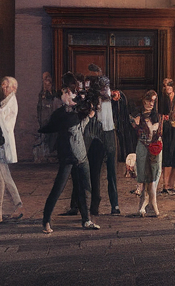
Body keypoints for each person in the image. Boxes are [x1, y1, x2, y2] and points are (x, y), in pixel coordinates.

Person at [39, 82, 100, 234]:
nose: (73, 97)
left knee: (84, 188)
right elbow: (59, 125)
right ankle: (46, 220)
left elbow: (81, 126)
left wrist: (89, 115)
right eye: (70, 94)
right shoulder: (61, 113)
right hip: (68, 156)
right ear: (64, 95)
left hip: (81, 155)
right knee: (58, 188)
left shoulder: (78, 111)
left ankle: (86, 220)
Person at [85, 69, 121, 217]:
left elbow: (121, 105)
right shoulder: (93, 99)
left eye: (107, 87)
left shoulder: (113, 98)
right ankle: (95, 206)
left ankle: (115, 204)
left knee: (112, 171)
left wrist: (117, 97)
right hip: (97, 136)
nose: (105, 90)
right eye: (102, 87)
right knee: (95, 171)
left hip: (110, 132)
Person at [0, 76, 23, 222]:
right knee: (0, 176)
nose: (4, 88)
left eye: (6, 86)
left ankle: (17, 205)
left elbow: (2, 120)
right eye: (2, 85)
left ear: (13, 88)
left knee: (3, 175)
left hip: (2, 143)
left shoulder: (11, 102)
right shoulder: (5, 102)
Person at [132, 90, 163, 217]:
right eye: (149, 100)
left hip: (155, 147)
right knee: (143, 177)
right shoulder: (138, 116)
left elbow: (160, 132)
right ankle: (144, 204)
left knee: (154, 176)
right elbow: (133, 132)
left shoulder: (158, 116)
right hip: (143, 147)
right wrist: (136, 123)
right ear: (144, 100)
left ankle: (152, 204)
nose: (151, 103)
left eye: (153, 101)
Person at [159, 78, 175, 196]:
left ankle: (171, 185)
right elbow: (160, 113)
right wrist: (163, 118)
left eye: (169, 86)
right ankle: (165, 185)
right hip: (166, 130)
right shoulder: (162, 99)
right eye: (165, 86)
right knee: (167, 155)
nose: (167, 88)